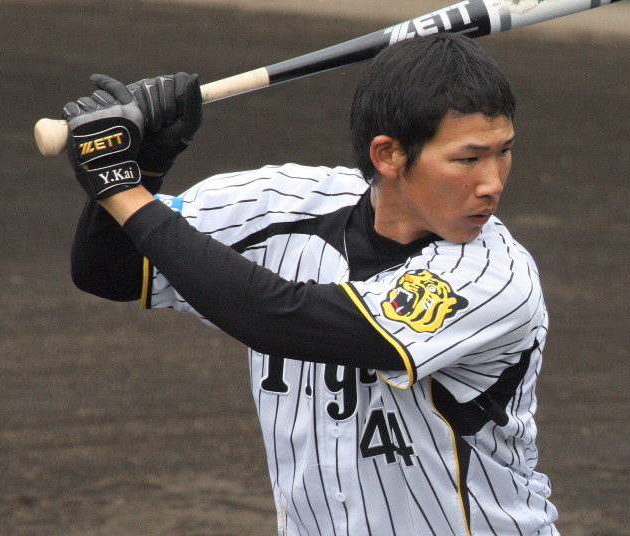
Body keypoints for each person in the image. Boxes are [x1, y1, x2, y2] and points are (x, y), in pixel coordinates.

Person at [64, 34, 558, 536]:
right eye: (469, 159)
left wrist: (121, 187)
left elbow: (281, 318)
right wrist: (147, 164)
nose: (493, 183)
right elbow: (109, 270)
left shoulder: (495, 276)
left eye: (504, 152)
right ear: (388, 154)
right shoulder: (280, 202)